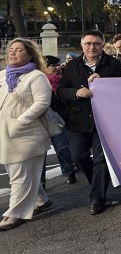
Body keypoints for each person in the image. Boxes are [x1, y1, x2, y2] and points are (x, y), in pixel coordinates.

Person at [59, 30, 121, 215]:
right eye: (88, 43)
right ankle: (98, 182)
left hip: (104, 120)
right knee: (77, 156)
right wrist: (76, 93)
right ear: (81, 45)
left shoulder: (113, 65)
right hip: (78, 120)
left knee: (100, 159)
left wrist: (103, 84)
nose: (92, 47)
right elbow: (61, 90)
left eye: (96, 43)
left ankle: (98, 198)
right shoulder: (73, 67)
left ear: (103, 45)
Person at [0, 39, 52, 230]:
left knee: (19, 174)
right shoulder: (3, 75)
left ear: (29, 55)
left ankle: (15, 213)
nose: (12, 53)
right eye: (11, 50)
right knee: (17, 170)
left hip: (27, 133)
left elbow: (42, 102)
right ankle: (41, 200)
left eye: (18, 50)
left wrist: (20, 121)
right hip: (6, 133)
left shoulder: (36, 76)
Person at [42, 55, 77, 186]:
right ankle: (41, 183)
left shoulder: (63, 80)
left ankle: (69, 172)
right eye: (53, 66)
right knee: (41, 154)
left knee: (63, 148)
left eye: (58, 65)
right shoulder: (39, 81)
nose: (57, 68)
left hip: (59, 119)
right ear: (44, 67)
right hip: (40, 120)